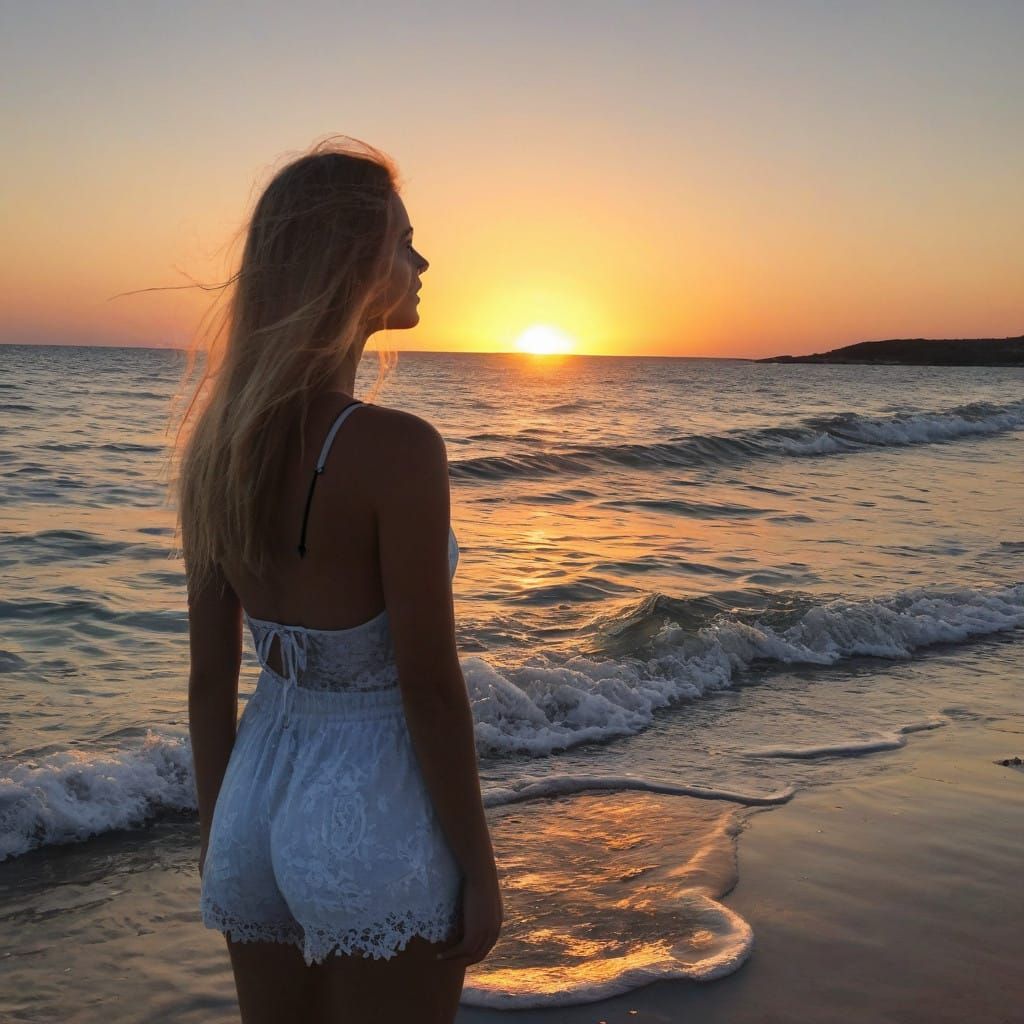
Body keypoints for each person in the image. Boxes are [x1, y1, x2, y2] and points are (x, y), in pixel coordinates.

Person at [173, 136, 502, 1023]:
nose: (422, 264)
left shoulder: (217, 450)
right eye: (405, 242)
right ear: (353, 266)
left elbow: (209, 680)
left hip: (251, 800)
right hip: (375, 801)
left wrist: (219, 835)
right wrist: (478, 865)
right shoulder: (399, 449)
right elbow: (429, 688)